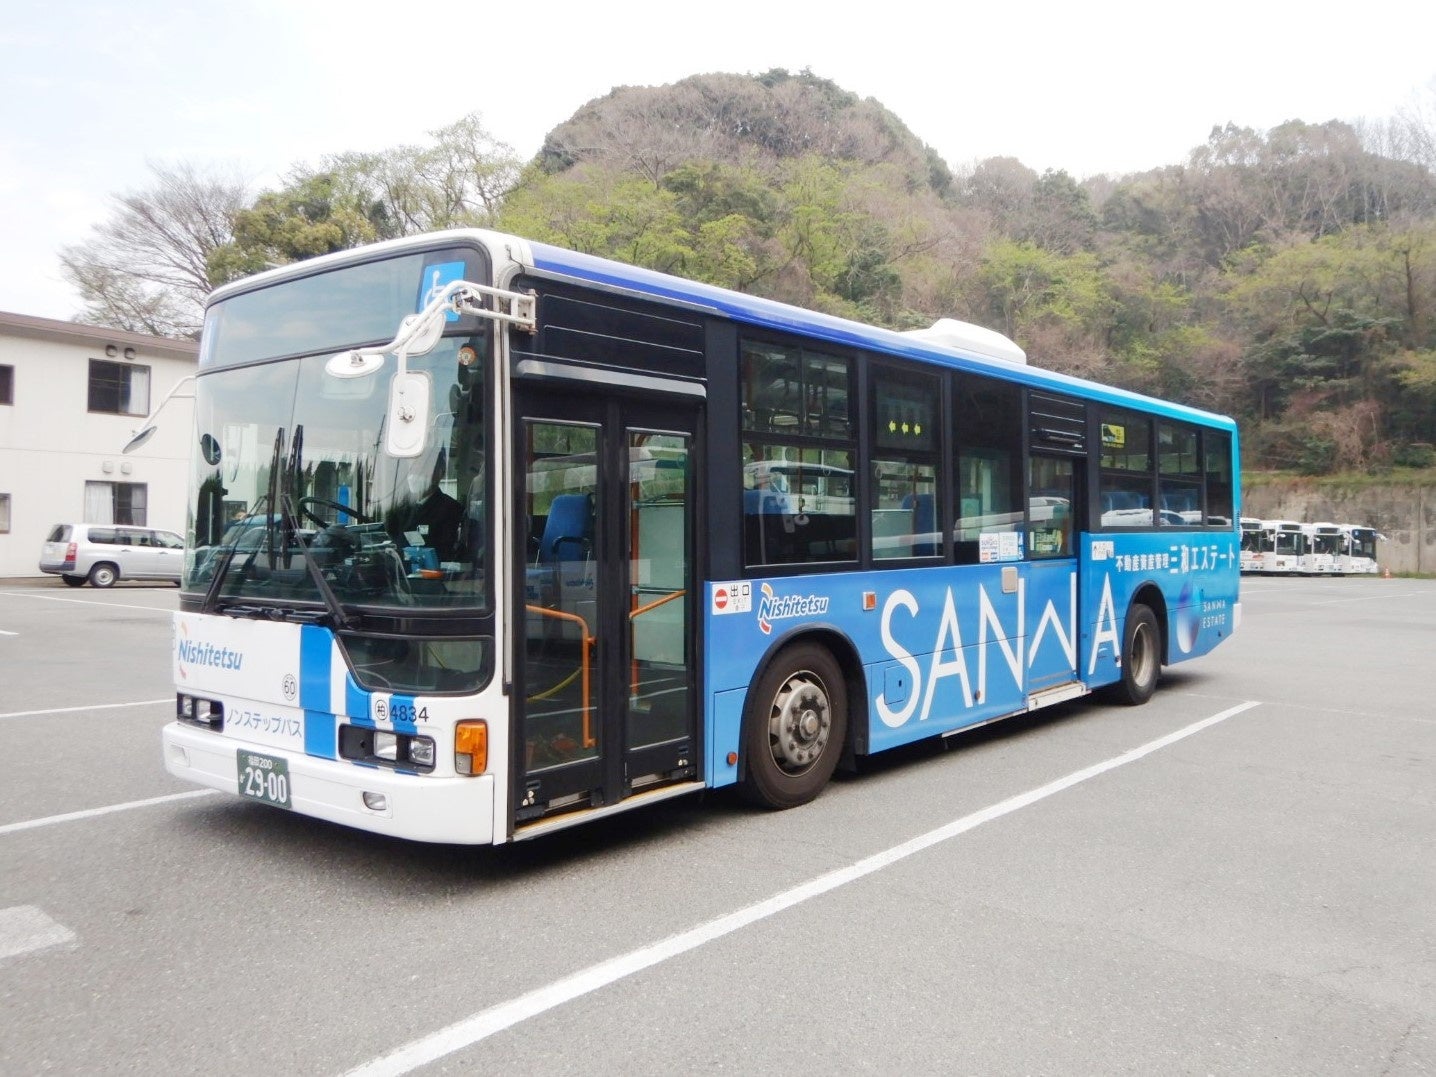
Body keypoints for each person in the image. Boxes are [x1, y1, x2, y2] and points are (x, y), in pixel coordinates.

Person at [392, 456, 464, 562]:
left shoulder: (451, 509)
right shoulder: (401, 508)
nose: (414, 475)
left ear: (439, 473)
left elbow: (447, 553)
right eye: (411, 470)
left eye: (421, 470)